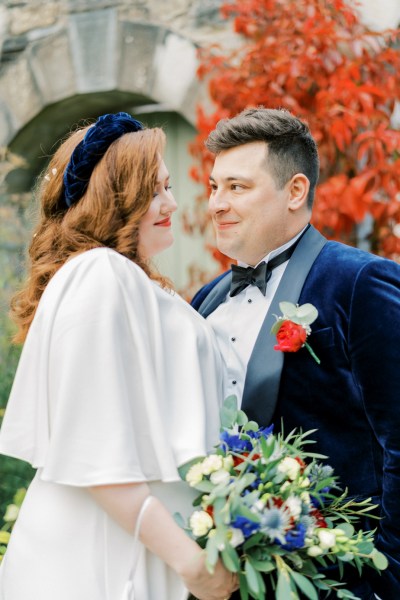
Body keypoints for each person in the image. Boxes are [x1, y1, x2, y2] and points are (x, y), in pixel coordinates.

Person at [0, 112, 238, 600]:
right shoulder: (98, 274)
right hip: (103, 561)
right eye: (155, 190)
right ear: (116, 197)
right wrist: (190, 562)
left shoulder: (134, 281)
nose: (172, 203)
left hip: (142, 551)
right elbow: (94, 446)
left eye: (168, 187)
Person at [192, 107, 400, 599]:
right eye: (214, 187)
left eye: (237, 187)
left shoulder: (359, 283)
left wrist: (386, 576)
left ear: (296, 191)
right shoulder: (203, 303)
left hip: (347, 578)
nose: (217, 204)